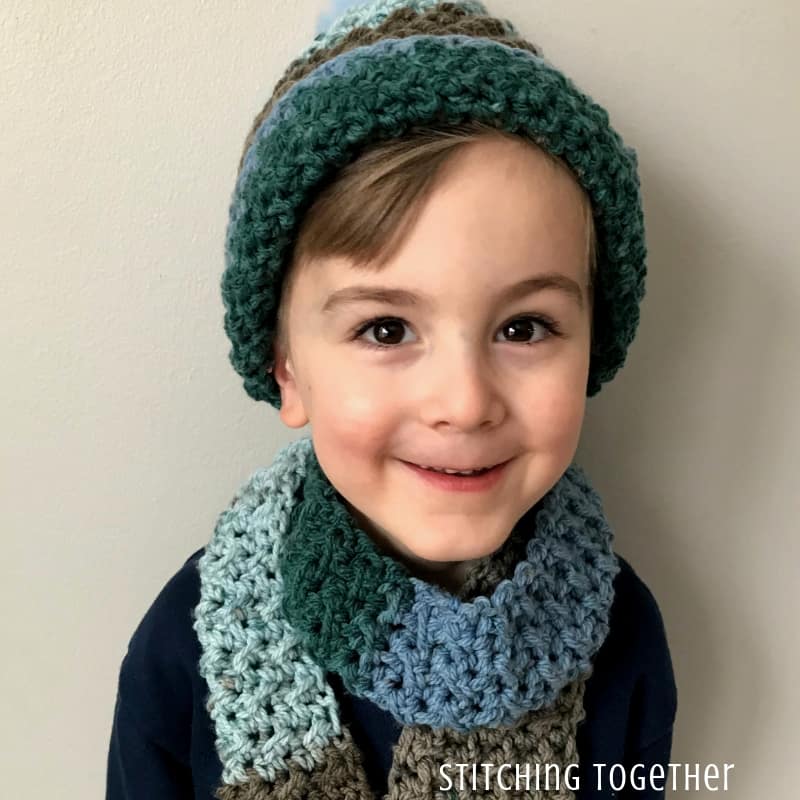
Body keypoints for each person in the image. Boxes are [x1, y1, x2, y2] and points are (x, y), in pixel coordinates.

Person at [106, 1, 677, 798]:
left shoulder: (624, 642)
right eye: (384, 329)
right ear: (288, 370)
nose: (465, 401)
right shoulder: (187, 649)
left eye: (523, 326)